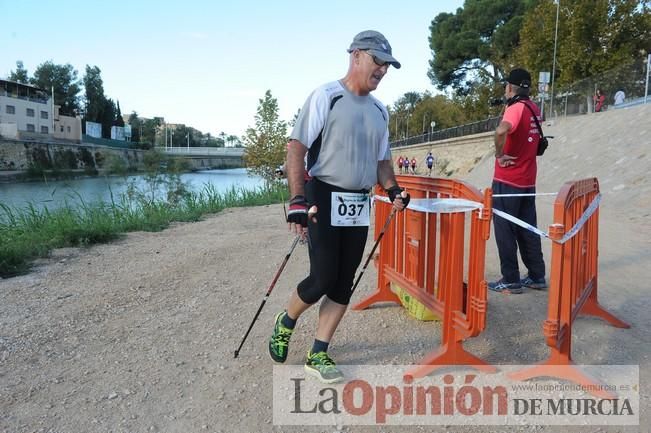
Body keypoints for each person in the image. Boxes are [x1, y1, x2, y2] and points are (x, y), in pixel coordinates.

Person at [268, 30, 410, 383]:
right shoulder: (327, 96)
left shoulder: (380, 111)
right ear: (357, 55)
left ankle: (319, 352)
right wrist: (298, 201)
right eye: (377, 61)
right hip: (324, 195)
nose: (382, 70)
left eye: (387, 65)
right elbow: (296, 148)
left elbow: (382, 162)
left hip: (359, 201)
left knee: (344, 282)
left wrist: (393, 190)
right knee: (322, 278)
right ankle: (286, 320)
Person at [488, 68, 547, 295]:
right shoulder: (534, 108)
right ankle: (536, 275)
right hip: (527, 180)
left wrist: (499, 154)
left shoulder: (515, 108)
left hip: (507, 180)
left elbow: (501, 130)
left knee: (504, 230)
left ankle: (510, 279)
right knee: (528, 229)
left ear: (510, 87)